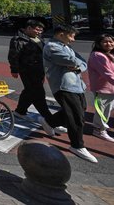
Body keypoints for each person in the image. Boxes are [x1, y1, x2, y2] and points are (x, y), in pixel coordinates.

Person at [40, 24, 95, 162]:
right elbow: (70, 60)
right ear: (61, 34)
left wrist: (76, 66)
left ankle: (49, 122)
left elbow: (82, 62)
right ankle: (77, 145)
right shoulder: (52, 47)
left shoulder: (66, 47)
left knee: (79, 110)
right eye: (71, 35)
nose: (73, 39)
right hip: (63, 85)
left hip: (76, 85)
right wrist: (76, 65)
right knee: (76, 116)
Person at [87, 34, 114, 142]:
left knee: (108, 109)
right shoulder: (98, 55)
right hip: (103, 88)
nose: (109, 44)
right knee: (103, 111)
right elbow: (108, 74)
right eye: (105, 42)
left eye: (111, 41)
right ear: (99, 44)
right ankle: (99, 130)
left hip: (111, 87)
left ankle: (100, 128)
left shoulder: (110, 54)